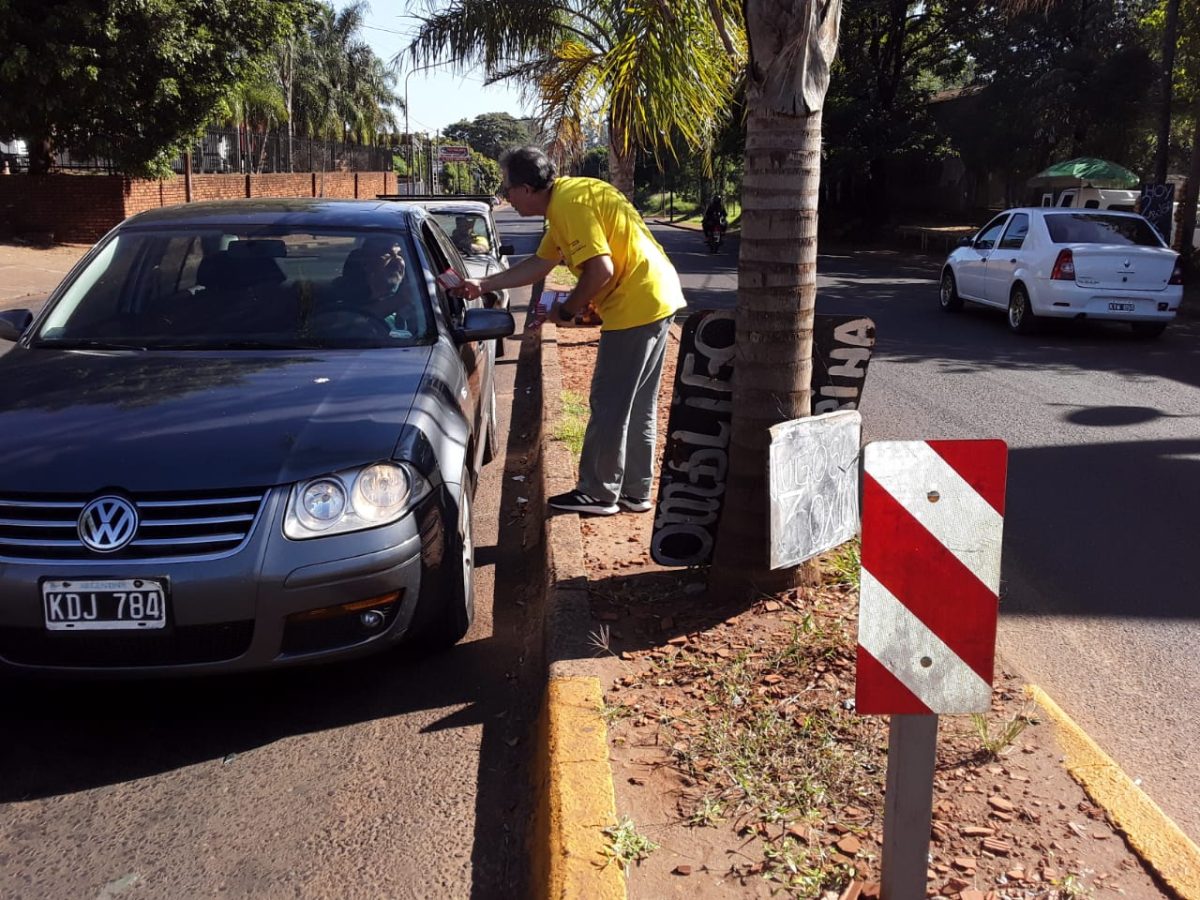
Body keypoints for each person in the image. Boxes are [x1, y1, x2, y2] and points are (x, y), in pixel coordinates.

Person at [454, 146, 686, 516]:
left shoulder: (568, 206)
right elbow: (540, 264)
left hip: (635, 305)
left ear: (527, 188)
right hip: (658, 296)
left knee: (609, 404)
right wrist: (482, 285)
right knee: (637, 404)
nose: (506, 197)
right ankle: (634, 491)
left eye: (508, 189)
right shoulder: (569, 197)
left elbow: (601, 270)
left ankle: (598, 492)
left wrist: (568, 310)